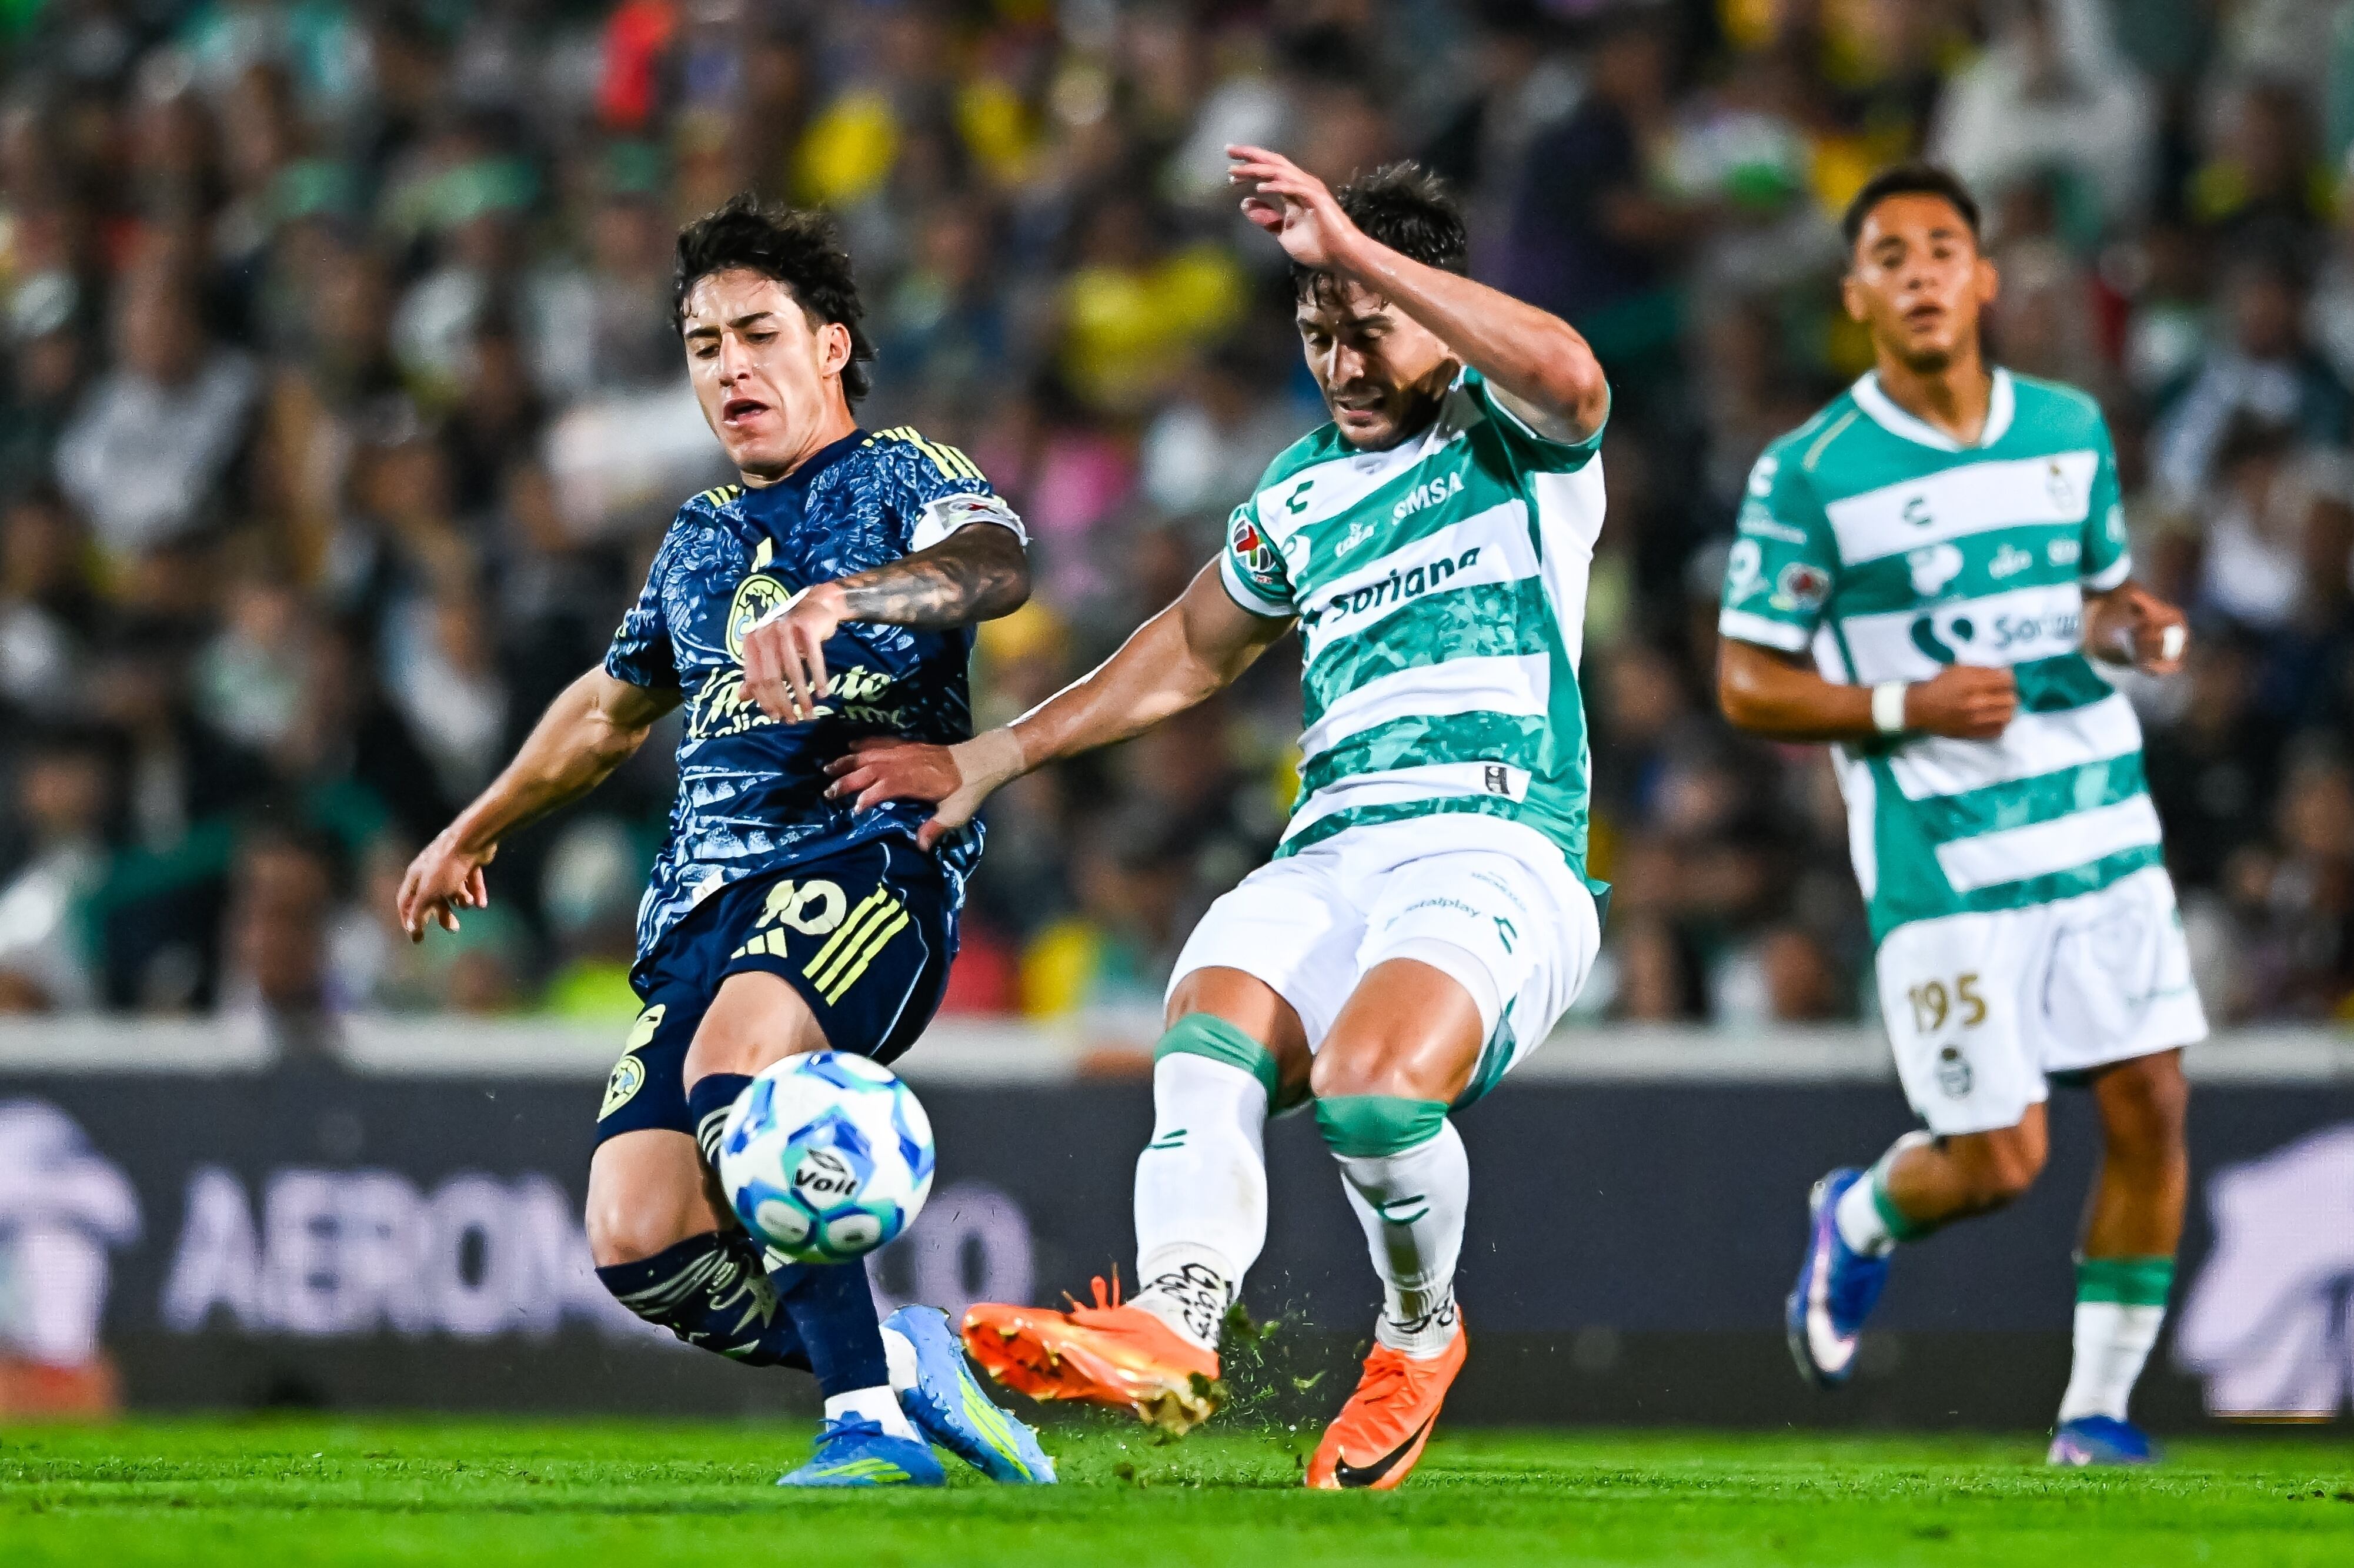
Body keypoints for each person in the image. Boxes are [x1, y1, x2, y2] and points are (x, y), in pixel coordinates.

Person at [833, 151, 1611, 1490]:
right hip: (1334, 845)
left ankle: (1418, 1332)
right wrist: (992, 756)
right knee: (1208, 1022)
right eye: (1317, 337)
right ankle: (1175, 1322)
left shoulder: (1509, 433)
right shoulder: (1298, 495)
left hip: (1496, 840)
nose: (1343, 368)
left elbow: (1578, 375)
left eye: (1367, 331)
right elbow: (1185, 650)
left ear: (1431, 305)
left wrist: (1360, 258)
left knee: (1374, 1089)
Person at [395, 195, 1053, 1490]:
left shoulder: (902, 473)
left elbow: (994, 570)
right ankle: (905, 1352)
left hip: (862, 858)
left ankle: (866, 1422)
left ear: (831, 346)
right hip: (700, 907)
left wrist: (846, 597)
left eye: (758, 334)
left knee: (735, 1053)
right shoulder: (697, 536)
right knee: (639, 1239)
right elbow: (608, 708)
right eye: (703, 346)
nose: (729, 367)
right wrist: (477, 823)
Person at [1712, 165, 2202, 1467]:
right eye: (1891, 253)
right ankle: (1859, 1215)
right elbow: (1746, 680)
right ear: (1855, 294)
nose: (1921, 270)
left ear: (1983, 278)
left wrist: (2132, 624)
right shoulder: (1810, 470)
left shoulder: (2068, 428)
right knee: (1999, 1161)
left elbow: (2097, 592)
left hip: (2098, 816)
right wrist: (1900, 703)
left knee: (2151, 1095)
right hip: (1944, 847)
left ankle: (2094, 1415)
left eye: (1943, 247)